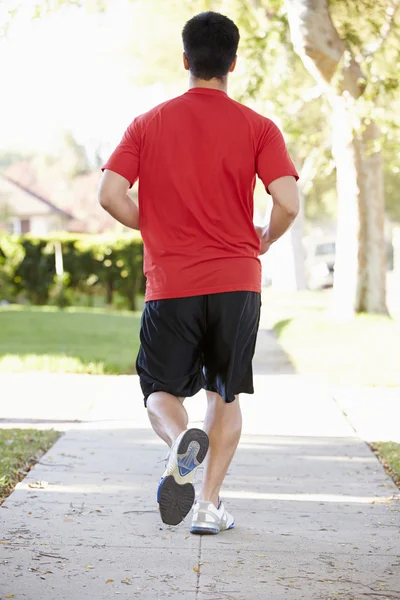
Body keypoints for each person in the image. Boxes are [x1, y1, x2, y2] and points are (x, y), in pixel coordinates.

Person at [98, 11, 299, 534]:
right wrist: (267, 237)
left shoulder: (147, 124)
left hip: (172, 283)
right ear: (233, 63)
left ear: (185, 60)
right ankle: (208, 506)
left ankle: (176, 444)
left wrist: (158, 225)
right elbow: (289, 201)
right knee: (225, 395)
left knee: (160, 391)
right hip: (237, 280)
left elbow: (110, 195)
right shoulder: (259, 127)